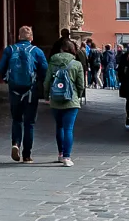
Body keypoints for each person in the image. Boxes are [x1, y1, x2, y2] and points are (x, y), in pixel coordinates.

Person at [0, 25, 48, 163]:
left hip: (14, 90)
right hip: (31, 91)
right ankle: (27, 155)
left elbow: (1, 68)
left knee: (16, 119)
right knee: (29, 123)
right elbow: (44, 70)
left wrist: (7, 79)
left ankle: (15, 144)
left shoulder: (10, 50)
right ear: (31, 37)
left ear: (18, 37)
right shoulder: (37, 51)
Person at [45, 38, 87, 166]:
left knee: (59, 127)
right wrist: (77, 96)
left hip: (56, 99)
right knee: (68, 129)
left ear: (61, 49)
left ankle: (60, 154)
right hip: (71, 100)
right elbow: (81, 85)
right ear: (73, 50)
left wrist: (47, 95)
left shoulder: (53, 62)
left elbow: (47, 81)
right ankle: (67, 158)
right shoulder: (76, 64)